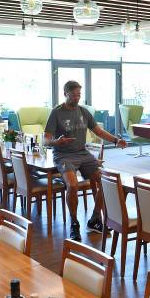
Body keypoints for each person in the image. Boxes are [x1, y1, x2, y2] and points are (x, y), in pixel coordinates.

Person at [44, 80, 127, 241]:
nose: (76, 98)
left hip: (83, 154)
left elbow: (99, 131)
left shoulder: (83, 112)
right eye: (73, 95)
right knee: (73, 185)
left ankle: (95, 219)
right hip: (63, 155)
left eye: (78, 95)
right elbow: (45, 140)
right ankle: (74, 223)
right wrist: (56, 142)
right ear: (65, 94)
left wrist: (116, 140)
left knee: (106, 183)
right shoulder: (56, 112)